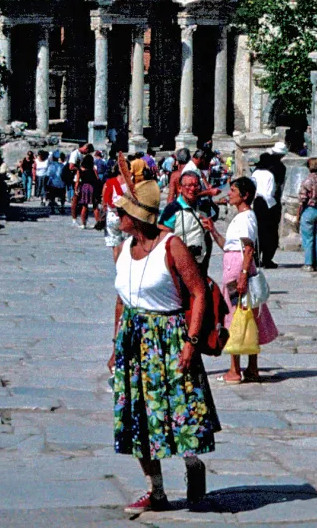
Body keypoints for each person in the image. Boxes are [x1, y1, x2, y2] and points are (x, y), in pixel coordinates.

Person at [110, 179, 220, 512]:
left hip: (169, 337)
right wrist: (115, 344)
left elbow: (199, 292)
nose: (117, 216)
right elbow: (121, 300)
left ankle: (192, 463)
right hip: (133, 339)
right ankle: (155, 491)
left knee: (180, 413)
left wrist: (191, 342)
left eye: (122, 212)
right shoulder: (122, 249)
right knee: (138, 417)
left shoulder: (172, 246)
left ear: (137, 218)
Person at [202, 177, 279, 383]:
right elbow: (228, 245)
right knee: (248, 316)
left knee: (235, 317)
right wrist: (213, 231)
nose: (229, 193)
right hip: (235, 265)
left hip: (237, 270)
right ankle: (251, 367)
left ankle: (235, 369)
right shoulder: (242, 217)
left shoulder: (246, 218)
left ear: (244, 195)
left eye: (233, 190)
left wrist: (243, 275)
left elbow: (248, 249)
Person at [250, 150, 284, 268]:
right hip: (268, 205)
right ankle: (267, 259)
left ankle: (256, 258)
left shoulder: (255, 173)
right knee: (270, 232)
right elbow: (270, 192)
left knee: (257, 232)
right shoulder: (270, 175)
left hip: (257, 203)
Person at [73, 153, 100, 229]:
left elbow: (77, 181)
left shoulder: (80, 170)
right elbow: (97, 179)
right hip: (92, 186)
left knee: (84, 206)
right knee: (95, 206)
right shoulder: (93, 169)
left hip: (84, 187)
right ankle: (98, 223)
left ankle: (83, 224)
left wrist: (76, 189)